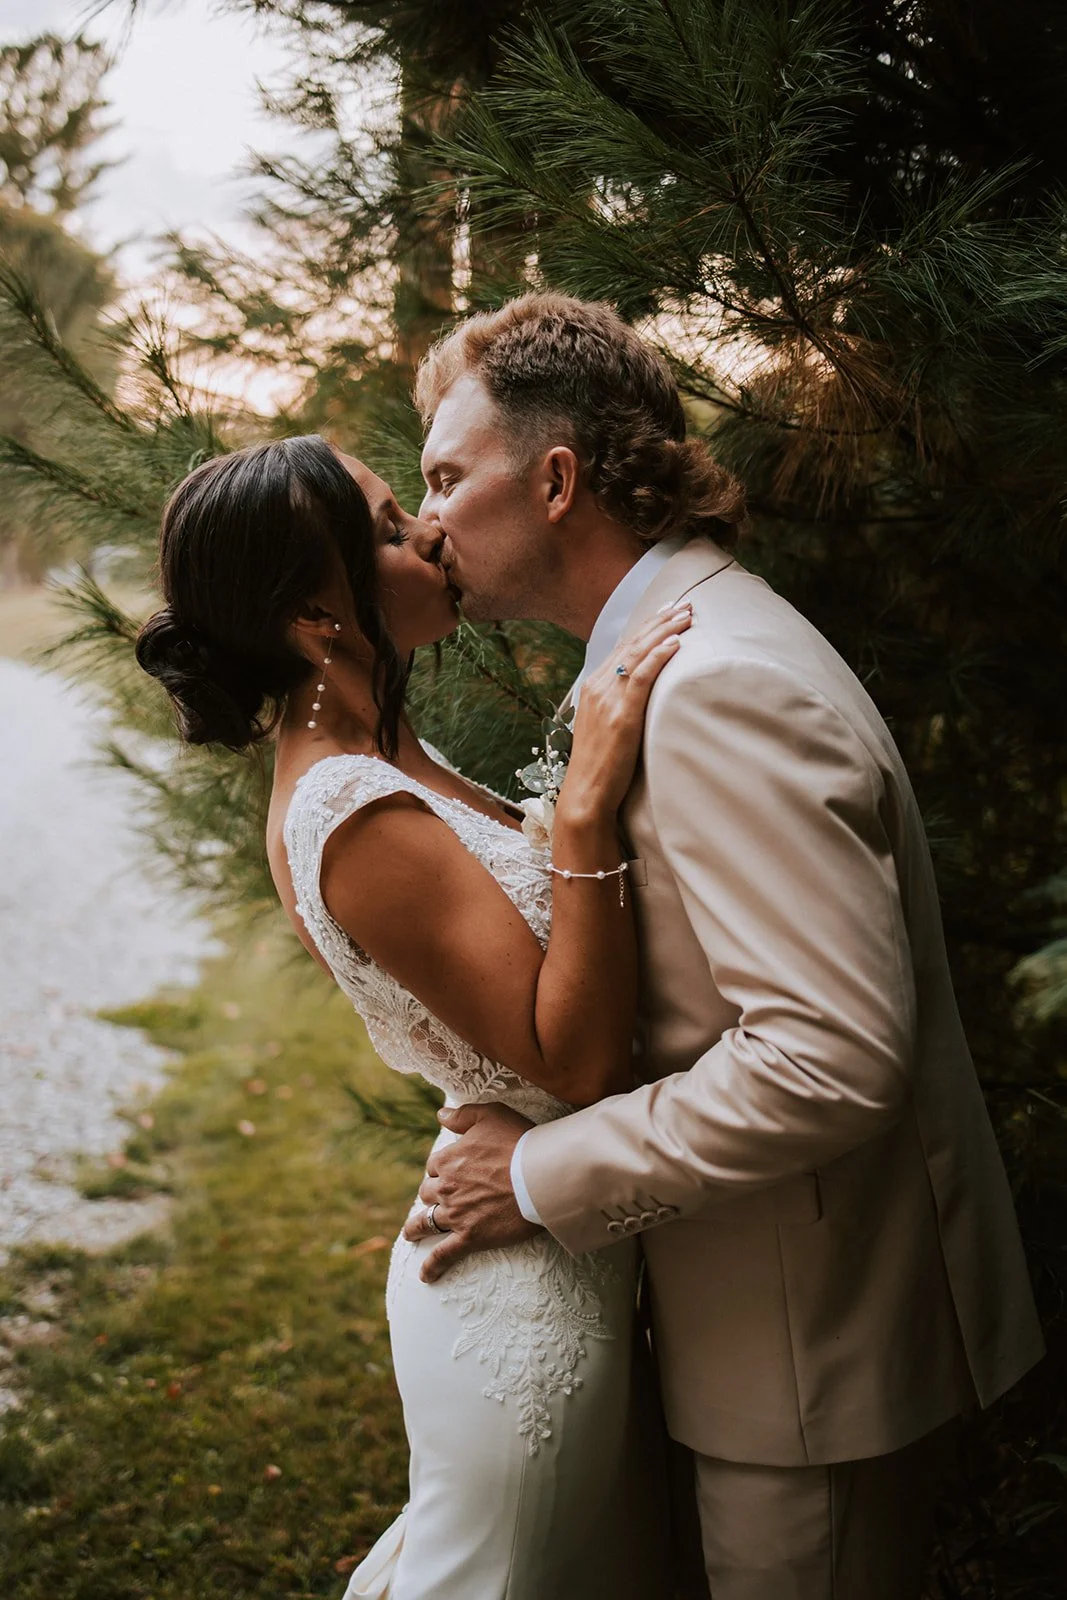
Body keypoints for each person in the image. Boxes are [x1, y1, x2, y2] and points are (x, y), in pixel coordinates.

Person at [401, 293, 1047, 1600]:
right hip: (766, 1321)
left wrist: (535, 1175)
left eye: (446, 476)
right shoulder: (672, 653)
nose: (426, 521)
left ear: (558, 478)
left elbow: (826, 1060)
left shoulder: (716, 686)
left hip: (810, 1353)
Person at [134, 434, 681, 1598]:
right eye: (387, 530)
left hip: (552, 1230)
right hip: (516, 1308)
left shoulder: (384, 751)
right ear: (317, 620)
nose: (429, 532)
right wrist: (580, 814)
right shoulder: (348, 807)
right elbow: (576, 1061)